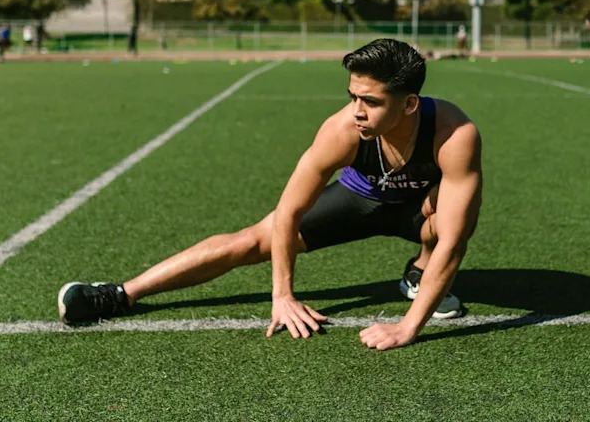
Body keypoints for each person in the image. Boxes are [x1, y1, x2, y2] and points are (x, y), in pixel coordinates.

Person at [57, 39, 483, 351]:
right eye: (352, 96)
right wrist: (283, 295)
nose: (356, 110)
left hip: (419, 212)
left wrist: (408, 327)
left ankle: (418, 275)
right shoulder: (341, 131)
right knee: (252, 240)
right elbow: (289, 212)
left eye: (369, 101)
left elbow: (455, 240)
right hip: (360, 198)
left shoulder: (454, 134)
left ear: (409, 105)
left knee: (446, 220)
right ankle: (120, 293)